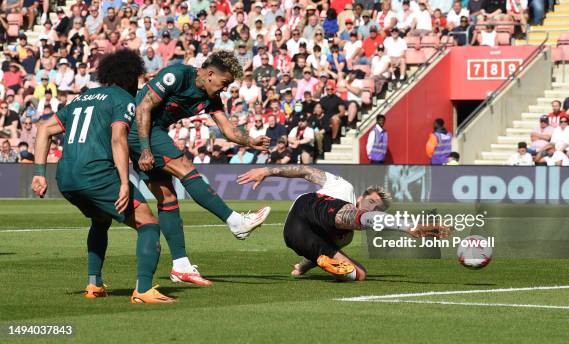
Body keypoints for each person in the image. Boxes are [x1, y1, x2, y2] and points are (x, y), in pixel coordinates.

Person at [30, 49, 174, 303]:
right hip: (97, 173)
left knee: (100, 219)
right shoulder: (123, 99)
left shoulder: (80, 99)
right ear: (132, 77)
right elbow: (118, 137)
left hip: (65, 177)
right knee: (148, 224)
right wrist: (123, 183)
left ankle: (94, 284)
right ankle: (143, 289)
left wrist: (39, 174)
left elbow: (43, 129)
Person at [129, 52, 272, 285]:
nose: (224, 90)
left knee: (167, 197)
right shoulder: (177, 75)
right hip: (140, 129)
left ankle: (181, 266)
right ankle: (235, 222)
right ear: (210, 74)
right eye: (224, 84)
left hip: (151, 133)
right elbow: (143, 107)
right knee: (185, 167)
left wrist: (250, 141)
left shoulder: (211, 98)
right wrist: (145, 149)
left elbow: (228, 131)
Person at [236, 166, 448, 281]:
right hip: (307, 209)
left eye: (378, 208)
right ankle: (409, 226)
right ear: (363, 196)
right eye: (371, 202)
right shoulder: (342, 187)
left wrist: (302, 267)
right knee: (355, 218)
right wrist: (268, 171)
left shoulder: (347, 236)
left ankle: (329, 268)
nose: (372, 207)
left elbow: (324, 248)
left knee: (359, 274)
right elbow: (305, 171)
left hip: (295, 237)